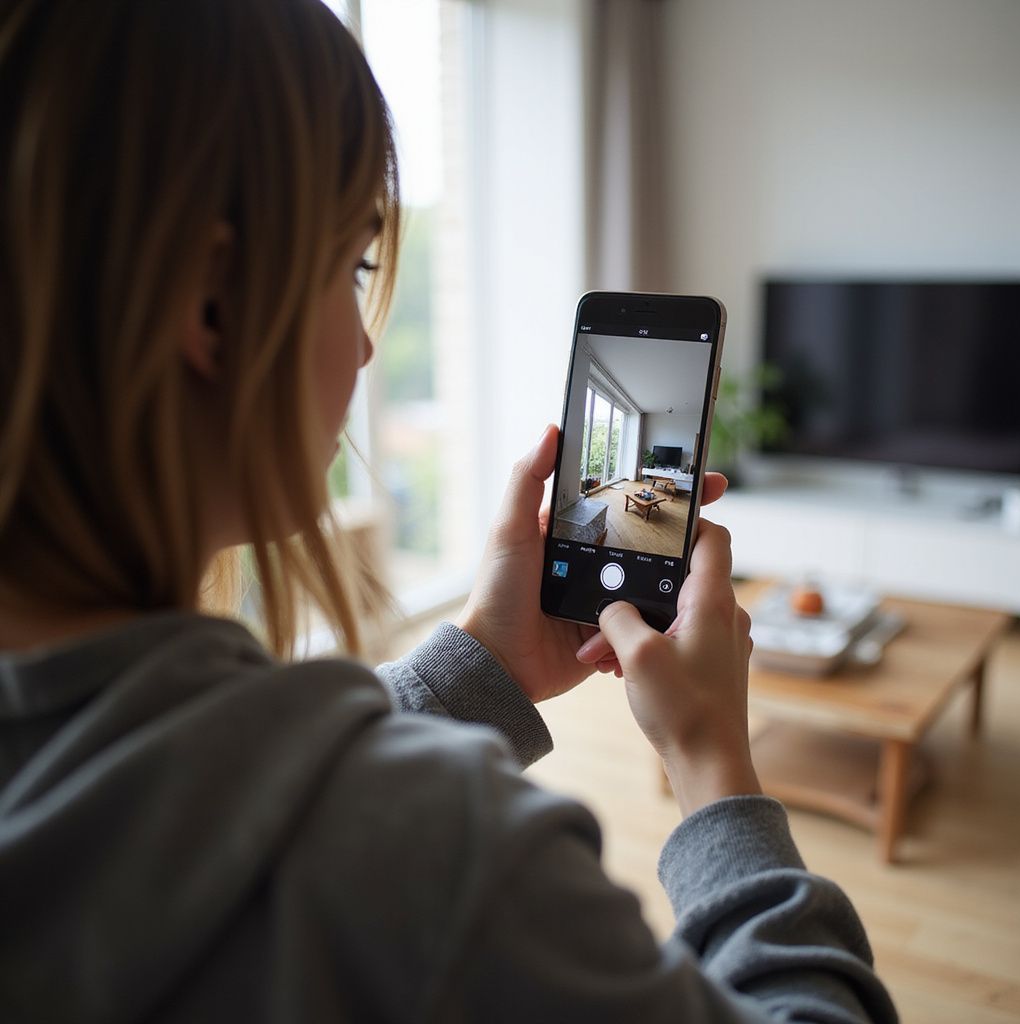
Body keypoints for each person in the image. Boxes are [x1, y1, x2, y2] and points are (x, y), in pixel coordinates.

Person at [0, 1, 897, 1021]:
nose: (370, 346)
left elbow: (197, 802)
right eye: (349, 266)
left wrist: (487, 659)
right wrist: (717, 769)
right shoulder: (453, 869)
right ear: (211, 303)